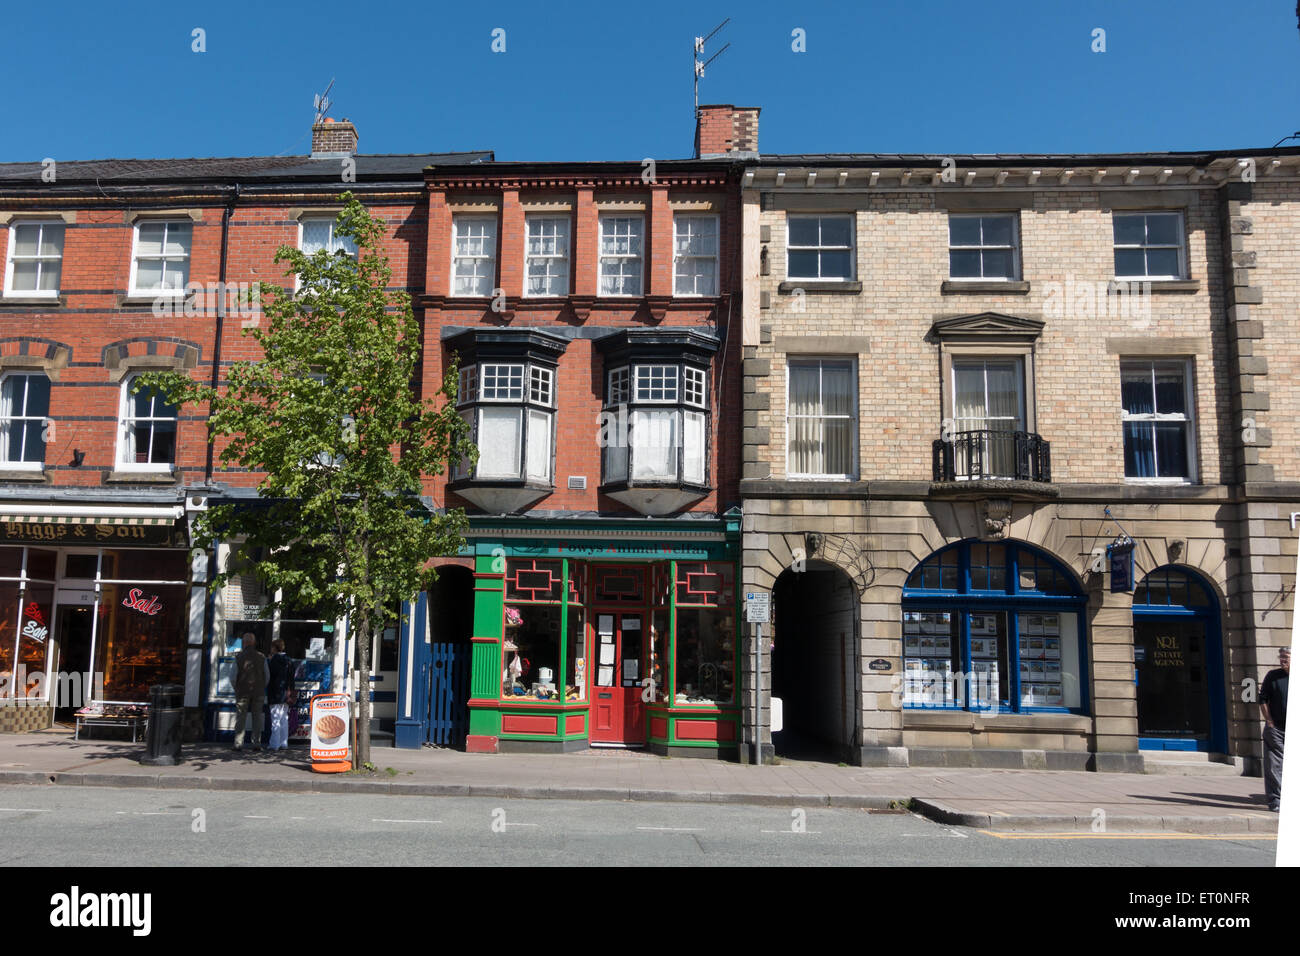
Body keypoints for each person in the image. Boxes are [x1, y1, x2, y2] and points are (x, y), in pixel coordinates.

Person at [1259, 646, 1290, 813]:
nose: (1282, 659)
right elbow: (1262, 699)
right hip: (1276, 728)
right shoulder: (1273, 676)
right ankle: (1275, 800)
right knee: (1274, 765)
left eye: (1286, 656)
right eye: (1281, 656)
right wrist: (1269, 720)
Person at [233, 633, 269, 753]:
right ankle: (256, 744)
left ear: (244, 643)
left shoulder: (238, 657)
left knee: (240, 718)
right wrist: (262, 686)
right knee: (257, 717)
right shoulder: (262, 657)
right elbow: (267, 676)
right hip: (258, 691)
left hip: (242, 691)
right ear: (254, 643)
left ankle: (238, 744)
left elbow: (232, 676)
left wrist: (236, 687)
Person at [266, 637, 295, 752]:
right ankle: (284, 743)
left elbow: (269, 677)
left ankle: (274, 744)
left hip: (275, 693)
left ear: (274, 648)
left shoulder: (274, 660)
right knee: (284, 719)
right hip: (287, 694)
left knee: (275, 719)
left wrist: (269, 660)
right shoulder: (289, 660)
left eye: (271, 647)